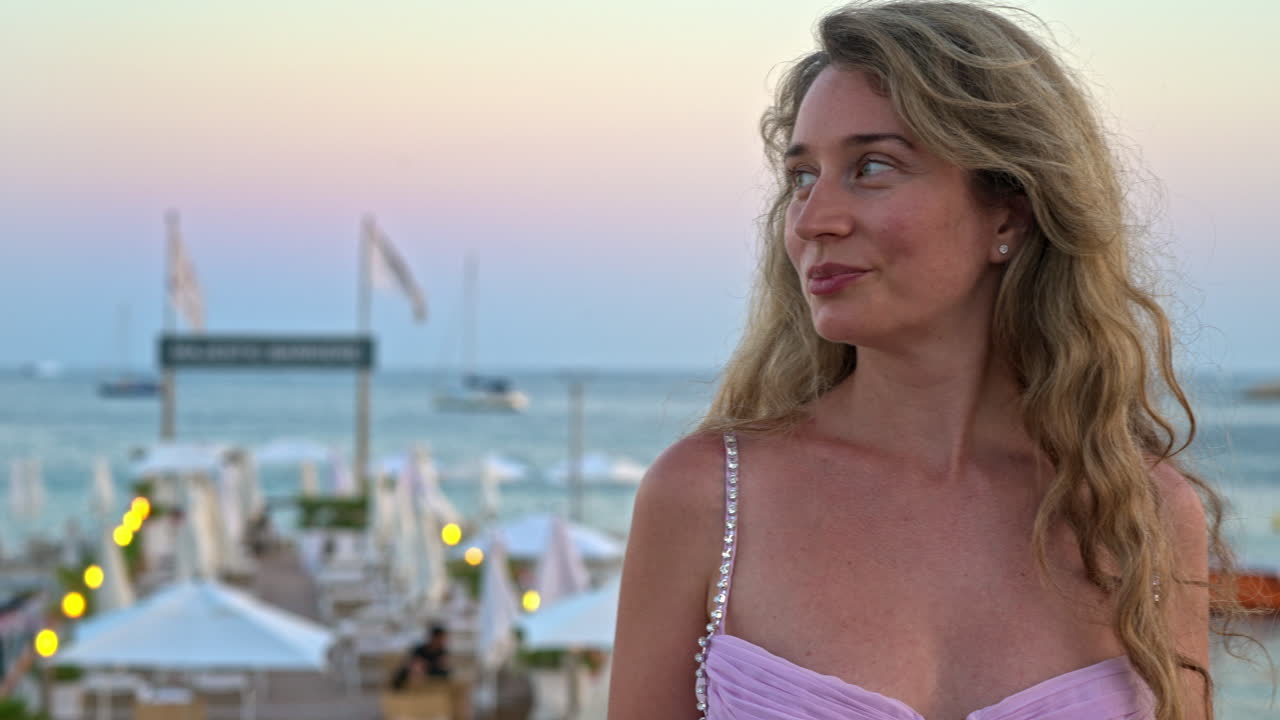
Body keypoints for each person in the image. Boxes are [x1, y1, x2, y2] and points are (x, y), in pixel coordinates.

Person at [608, 3, 1238, 720]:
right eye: (803, 176)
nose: (814, 219)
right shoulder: (710, 501)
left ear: (1009, 212)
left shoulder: (1140, 516)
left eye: (871, 168)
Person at [391, 624, 450, 690]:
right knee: (404, 672)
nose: (443, 641)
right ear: (434, 637)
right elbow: (412, 663)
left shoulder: (442, 651)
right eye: (441, 638)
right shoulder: (420, 649)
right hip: (417, 671)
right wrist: (417, 666)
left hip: (431, 672)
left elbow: (442, 665)